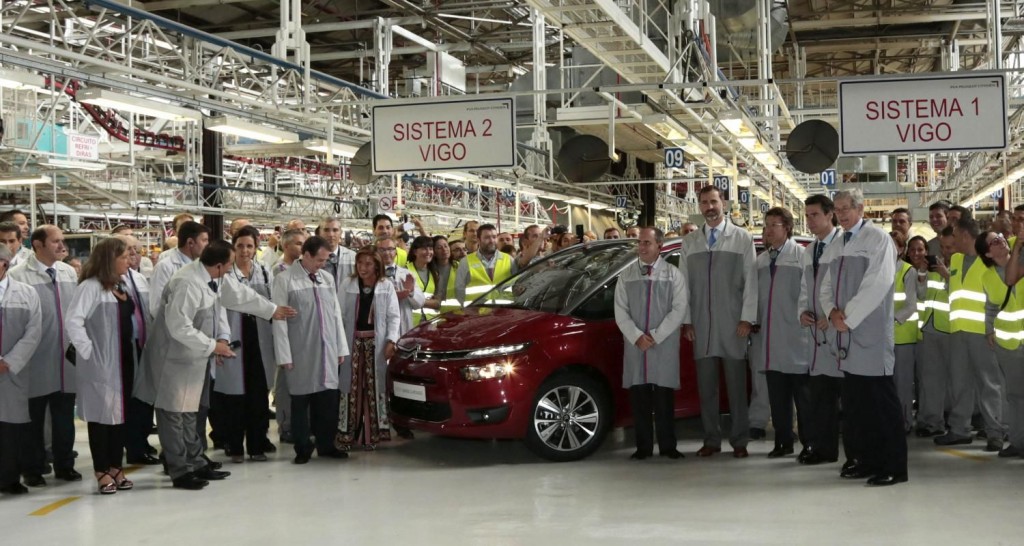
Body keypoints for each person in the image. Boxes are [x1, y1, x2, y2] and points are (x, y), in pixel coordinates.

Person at [139, 241, 243, 490]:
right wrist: (212, 346)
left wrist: (220, 340)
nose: (229, 271)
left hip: (192, 357)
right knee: (173, 415)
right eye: (229, 267)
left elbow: (216, 312)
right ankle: (179, 470)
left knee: (189, 413)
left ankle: (195, 462)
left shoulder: (207, 277)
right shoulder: (187, 282)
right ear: (218, 265)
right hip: (172, 359)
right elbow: (179, 326)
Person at [820, 189, 906, 486]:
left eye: (846, 208)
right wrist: (831, 312)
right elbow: (825, 284)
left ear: (860, 209)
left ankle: (894, 466)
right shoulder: (838, 243)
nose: (841, 214)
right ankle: (866, 460)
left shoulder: (878, 240)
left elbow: (877, 283)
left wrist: (848, 318)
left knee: (882, 405)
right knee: (857, 408)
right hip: (846, 337)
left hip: (869, 335)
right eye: (838, 209)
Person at [680, 186, 757, 458]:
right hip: (701, 327)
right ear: (699, 206)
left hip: (733, 325)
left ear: (723, 203)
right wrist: (687, 321)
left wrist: (747, 318)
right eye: (704, 203)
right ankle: (711, 439)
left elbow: (751, 283)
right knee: (706, 387)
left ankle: (740, 441)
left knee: (737, 387)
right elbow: (684, 287)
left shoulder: (741, 239)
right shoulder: (689, 243)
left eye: (713, 201)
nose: (709, 207)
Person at [65, 238, 138, 494]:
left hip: (123, 361)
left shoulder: (120, 285)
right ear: (110, 259)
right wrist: (88, 352)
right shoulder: (90, 287)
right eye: (123, 256)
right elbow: (73, 321)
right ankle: (101, 470)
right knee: (100, 418)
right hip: (101, 363)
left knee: (118, 417)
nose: (128, 260)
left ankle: (116, 466)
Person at [10, 225, 80, 486]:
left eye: (63, 240)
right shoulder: (19, 276)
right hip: (34, 359)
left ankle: (65, 464)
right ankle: (33, 468)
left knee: (64, 418)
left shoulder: (68, 273)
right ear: (37, 245)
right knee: (33, 419)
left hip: (66, 359)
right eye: (55, 241)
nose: (62, 246)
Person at [272, 236, 350, 464]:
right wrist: (284, 355)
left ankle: (326, 445)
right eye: (319, 260)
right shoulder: (284, 280)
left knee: (327, 402)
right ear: (305, 255)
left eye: (325, 260)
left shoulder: (326, 278)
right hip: (300, 351)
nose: (322, 265)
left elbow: (336, 315)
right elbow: (278, 321)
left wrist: (340, 348)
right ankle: (303, 447)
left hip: (327, 349)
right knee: (300, 402)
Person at [613, 227, 688, 460]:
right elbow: (620, 311)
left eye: (647, 243)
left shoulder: (673, 275)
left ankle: (668, 446)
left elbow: (679, 309)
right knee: (640, 397)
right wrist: (636, 336)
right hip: (636, 346)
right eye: (640, 242)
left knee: (664, 397)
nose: (642, 247)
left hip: (662, 344)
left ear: (659, 246)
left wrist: (655, 335)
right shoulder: (627, 276)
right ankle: (643, 447)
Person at [935, 216, 1005, 451]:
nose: (951, 240)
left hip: (982, 333)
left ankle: (995, 432)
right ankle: (959, 429)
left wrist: (992, 327)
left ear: (965, 235)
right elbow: (957, 291)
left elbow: (996, 297)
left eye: (954, 235)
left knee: (988, 383)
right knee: (959, 383)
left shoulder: (988, 261)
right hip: (957, 332)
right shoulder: (955, 259)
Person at [211, 226, 276, 463]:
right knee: (234, 398)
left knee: (259, 396)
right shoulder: (226, 274)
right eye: (240, 246)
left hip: (259, 340)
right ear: (233, 247)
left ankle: (258, 444)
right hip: (235, 339)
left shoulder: (265, 272)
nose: (245, 251)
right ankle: (235, 445)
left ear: (256, 246)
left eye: (250, 246)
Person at [751, 207, 810, 459]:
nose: (768, 231)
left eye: (773, 225)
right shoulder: (761, 261)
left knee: (803, 398)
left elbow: (809, 294)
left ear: (787, 227)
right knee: (778, 397)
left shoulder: (801, 257)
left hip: (797, 339)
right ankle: (782, 441)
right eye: (766, 225)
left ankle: (809, 443)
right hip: (770, 340)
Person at [337, 248, 400, 450]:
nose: (363, 268)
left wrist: (391, 340)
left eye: (368, 264)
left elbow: (393, 316)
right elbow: (338, 315)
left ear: (377, 266)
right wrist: (338, 343)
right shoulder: (347, 284)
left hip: (376, 344)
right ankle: (348, 434)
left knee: (373, 388)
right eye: (360, 263)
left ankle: (372, 434)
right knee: (351, 388)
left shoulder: (386, 285)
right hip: (351, 343)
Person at [797, 194, 844, 465]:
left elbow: (845, 287)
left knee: (848, 402)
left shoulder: (843, 246)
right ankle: (824, 450)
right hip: (816, 335)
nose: (810, 220)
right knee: (821, 400)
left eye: (815, 214)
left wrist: (832, 312)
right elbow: (805, 288)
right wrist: (802, 312)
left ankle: (855, 453)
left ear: (830, 215)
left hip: (839, 332)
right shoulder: (809, 250)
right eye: (807, 215)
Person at [0, 246, 42, 495]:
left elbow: (34, 331)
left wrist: (9, 361)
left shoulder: (26, 294)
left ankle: (9, 478)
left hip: (14, 371)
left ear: (5, 263)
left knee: (11, 428)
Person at [116, 236, 159, 465]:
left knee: (145, 398)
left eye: (137, 250)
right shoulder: (109, 280)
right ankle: (133, 446)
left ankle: (142, 441)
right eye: (128, 250)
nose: (133, 254)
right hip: (125, 347)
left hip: (144, 345)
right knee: (131, 398)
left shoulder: (140, 278)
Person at [915, 226, 954, 437]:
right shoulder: (933, 266)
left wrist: (947, 275)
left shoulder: (963, 265)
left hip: (952, 328)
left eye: (949, 246)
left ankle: (955, 421)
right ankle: (932, 422)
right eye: (943, 246)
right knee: (930, 379)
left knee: (955, 380)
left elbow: (961, 293)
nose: (946, 250)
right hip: (930, 327)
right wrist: (922, 272)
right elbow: (921, 295)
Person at [993, 229, 1024, 457]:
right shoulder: (1019, 250)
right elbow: (1011, 278)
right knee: (1015, 395)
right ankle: (1019, 441)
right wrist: (1018, 247)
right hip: (1013, 340)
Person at [893, 234, 925, 433]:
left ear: (900, 250)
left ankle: (904, 422)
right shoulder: (877, 269)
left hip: (903, 336)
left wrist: (889, 320)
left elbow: (911, 306)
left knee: (903, 384)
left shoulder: (907, 271)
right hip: (883, 338)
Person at [150, 221, 210, 317]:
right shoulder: (165, 267)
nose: (208, 244)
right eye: (204, 240)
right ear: (190, 242)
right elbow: (156, 307)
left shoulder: (204, 266)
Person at [455, 224, 520, 306]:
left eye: (494, 237)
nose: (492, 240)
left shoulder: (509, 259)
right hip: (477, 313)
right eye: (487, 237)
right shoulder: (465, 262)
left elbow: (518, 284)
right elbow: (459, 290)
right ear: (478, 240)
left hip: (504, 312)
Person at [376, 238, 423, 334]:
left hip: (404, 326)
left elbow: (419, 303)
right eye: (382, 250)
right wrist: (392, 297)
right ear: (377, 253)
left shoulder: (407, 274)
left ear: (396, 252)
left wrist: (411, 292)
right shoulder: (373, 275)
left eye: (390, 249)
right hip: (382, 327)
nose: (386, 253)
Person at [408, 236, 441, 326]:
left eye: (430, 249)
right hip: (411, 323)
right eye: (424, 249)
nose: (428, 252)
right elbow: (406, 300)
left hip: (431, 323)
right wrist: (429, 302)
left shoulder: (435, 273)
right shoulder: (405, 271)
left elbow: (438, 303)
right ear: (415, 252)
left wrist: (417, 301)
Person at [318, 217, 356, 288]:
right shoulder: (312, 258)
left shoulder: (353, 257)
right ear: (320, 232)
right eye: (326, 230)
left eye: (335, 230)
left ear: (341, 233)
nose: (331, 234)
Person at [432, 235, 460, 315]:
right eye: (439, 248)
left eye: (446, 246)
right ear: (433, 251)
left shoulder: (459, 267)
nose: (444, 250)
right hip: (435, 315)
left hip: (456, 313)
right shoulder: (429, 270)